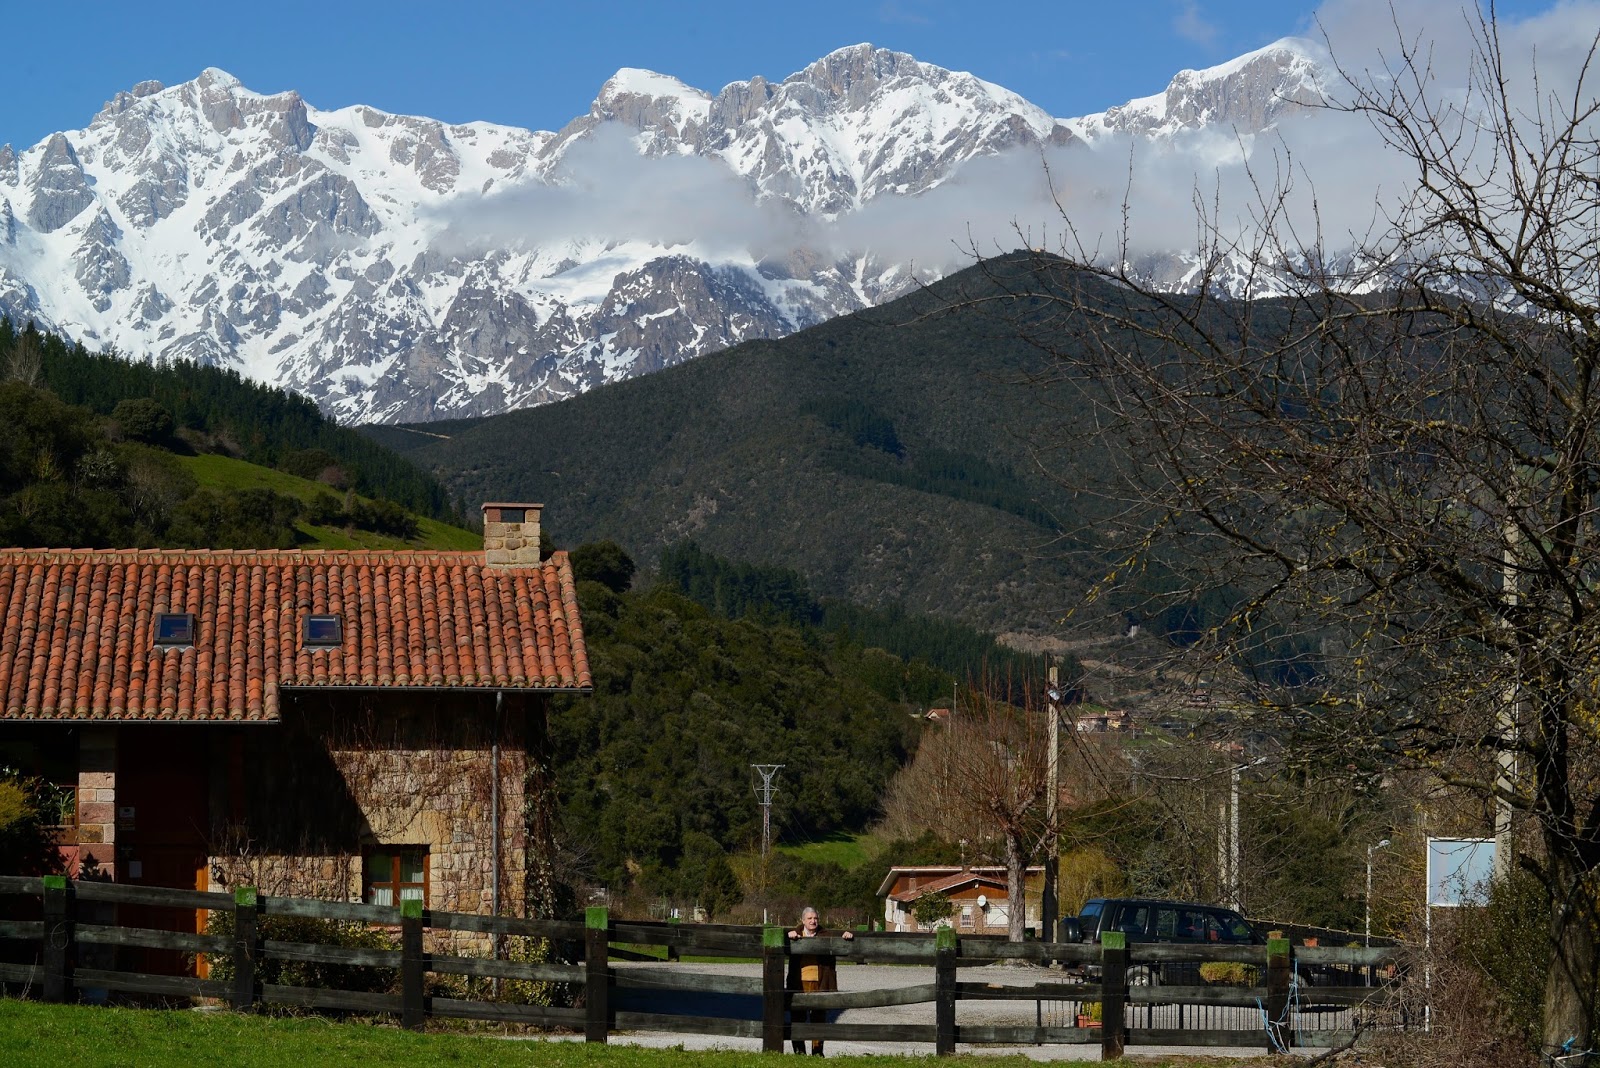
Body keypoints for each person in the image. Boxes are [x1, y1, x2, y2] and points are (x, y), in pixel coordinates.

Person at [786, 906, 854, 1056]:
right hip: (799, 982)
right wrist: (789, 935)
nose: (813, 921)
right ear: (803, 920)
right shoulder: (795, 934)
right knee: (798, 1016)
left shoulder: (826, 935)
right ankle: (799, 1052)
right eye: (809, 918)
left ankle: (817, 1052)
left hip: (820, 982)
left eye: (815, 918)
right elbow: (781, 938)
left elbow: (842, 940)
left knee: (818, 1017)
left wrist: (848, 935)